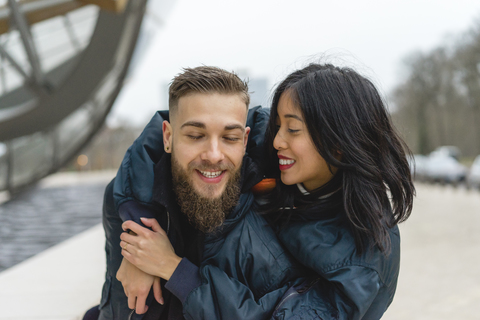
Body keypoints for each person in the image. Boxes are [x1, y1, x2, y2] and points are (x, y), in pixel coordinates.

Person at [111, 63, 415, 320]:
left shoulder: (362, 264)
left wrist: (170, 267)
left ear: (338, 141)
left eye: (292, 130)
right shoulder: (267, 143)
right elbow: (163, 132)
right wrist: (141, 235)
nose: (276, 140)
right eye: (277, 125)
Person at [89, 66, 307, 320]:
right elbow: (117, 307)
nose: (213, 154)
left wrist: (171, 268)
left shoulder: (272, 210)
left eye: (230, 137)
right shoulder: (128, 203)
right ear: (168, 137)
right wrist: (136, 251)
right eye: (195, 135)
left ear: (245, 142)